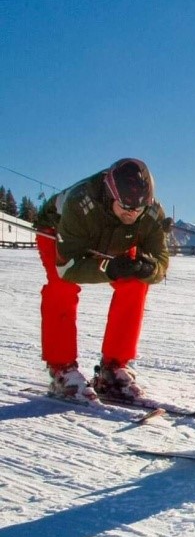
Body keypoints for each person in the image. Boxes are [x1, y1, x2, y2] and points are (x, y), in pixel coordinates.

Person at [35, 158, 169, 402]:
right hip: (60, 233)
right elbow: (67, 268)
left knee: (136, 282)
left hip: (114, 237)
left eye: (137, 209)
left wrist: (148, 267)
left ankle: (113, 367)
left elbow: (160, 262)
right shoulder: (79, 202)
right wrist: (109, 268)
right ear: (110, 195)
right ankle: (61, 369)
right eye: (125, 207)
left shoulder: (150, 213)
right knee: (61, 288)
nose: (132, 213)